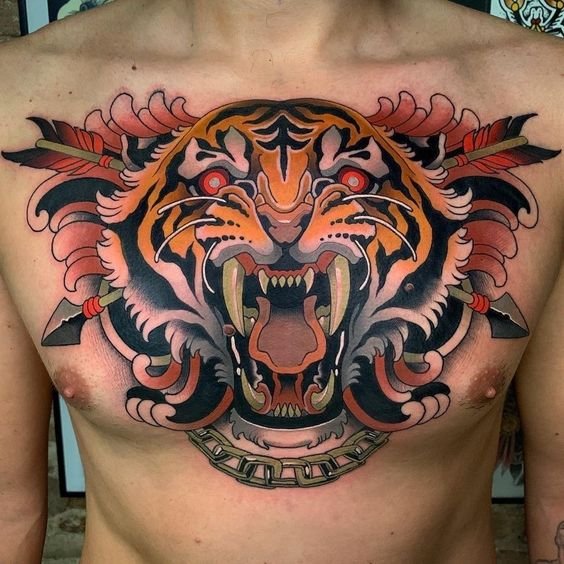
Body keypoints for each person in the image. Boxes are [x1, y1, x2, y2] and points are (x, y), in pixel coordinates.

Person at [0, 1, 562, 562]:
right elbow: (8, 508)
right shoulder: (14, 97)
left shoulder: (547, 92)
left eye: (351, 177)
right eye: (216, 180)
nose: (284, 215)